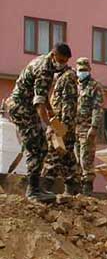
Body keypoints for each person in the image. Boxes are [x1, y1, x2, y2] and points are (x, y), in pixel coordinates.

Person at [6, 43, 71, 202]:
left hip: (24, 107)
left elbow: (42, 96)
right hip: (22, 108)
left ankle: (35, 187)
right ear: (54, 55)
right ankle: (33, 190)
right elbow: (39, 103)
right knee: (37, 145)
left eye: (65, 61)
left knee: (39, 145)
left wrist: (51, 112)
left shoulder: (44, 62)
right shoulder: (44, 70)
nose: (62, 64)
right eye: (61, 60)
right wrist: (48, 125)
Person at [45, 57, 79, 194]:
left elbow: (68, 103)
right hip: (60, 123)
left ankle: (44, 187)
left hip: (62, 125)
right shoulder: (61, 77)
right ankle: (73, 187)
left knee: (53, 155)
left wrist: (62, 127)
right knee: (67, 158)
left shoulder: (67, 77)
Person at [73, 57, 102, 195]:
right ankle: (76, 189)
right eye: (80, 70)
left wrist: (94, 127)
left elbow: (98, 108)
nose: (82, 72)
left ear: (89, 70)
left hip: (87, 128)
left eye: (84, 70)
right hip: (74, 128)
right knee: (75, 158)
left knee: (86, 158)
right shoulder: (73, 85)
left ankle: (87, 189)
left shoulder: (95, 86)